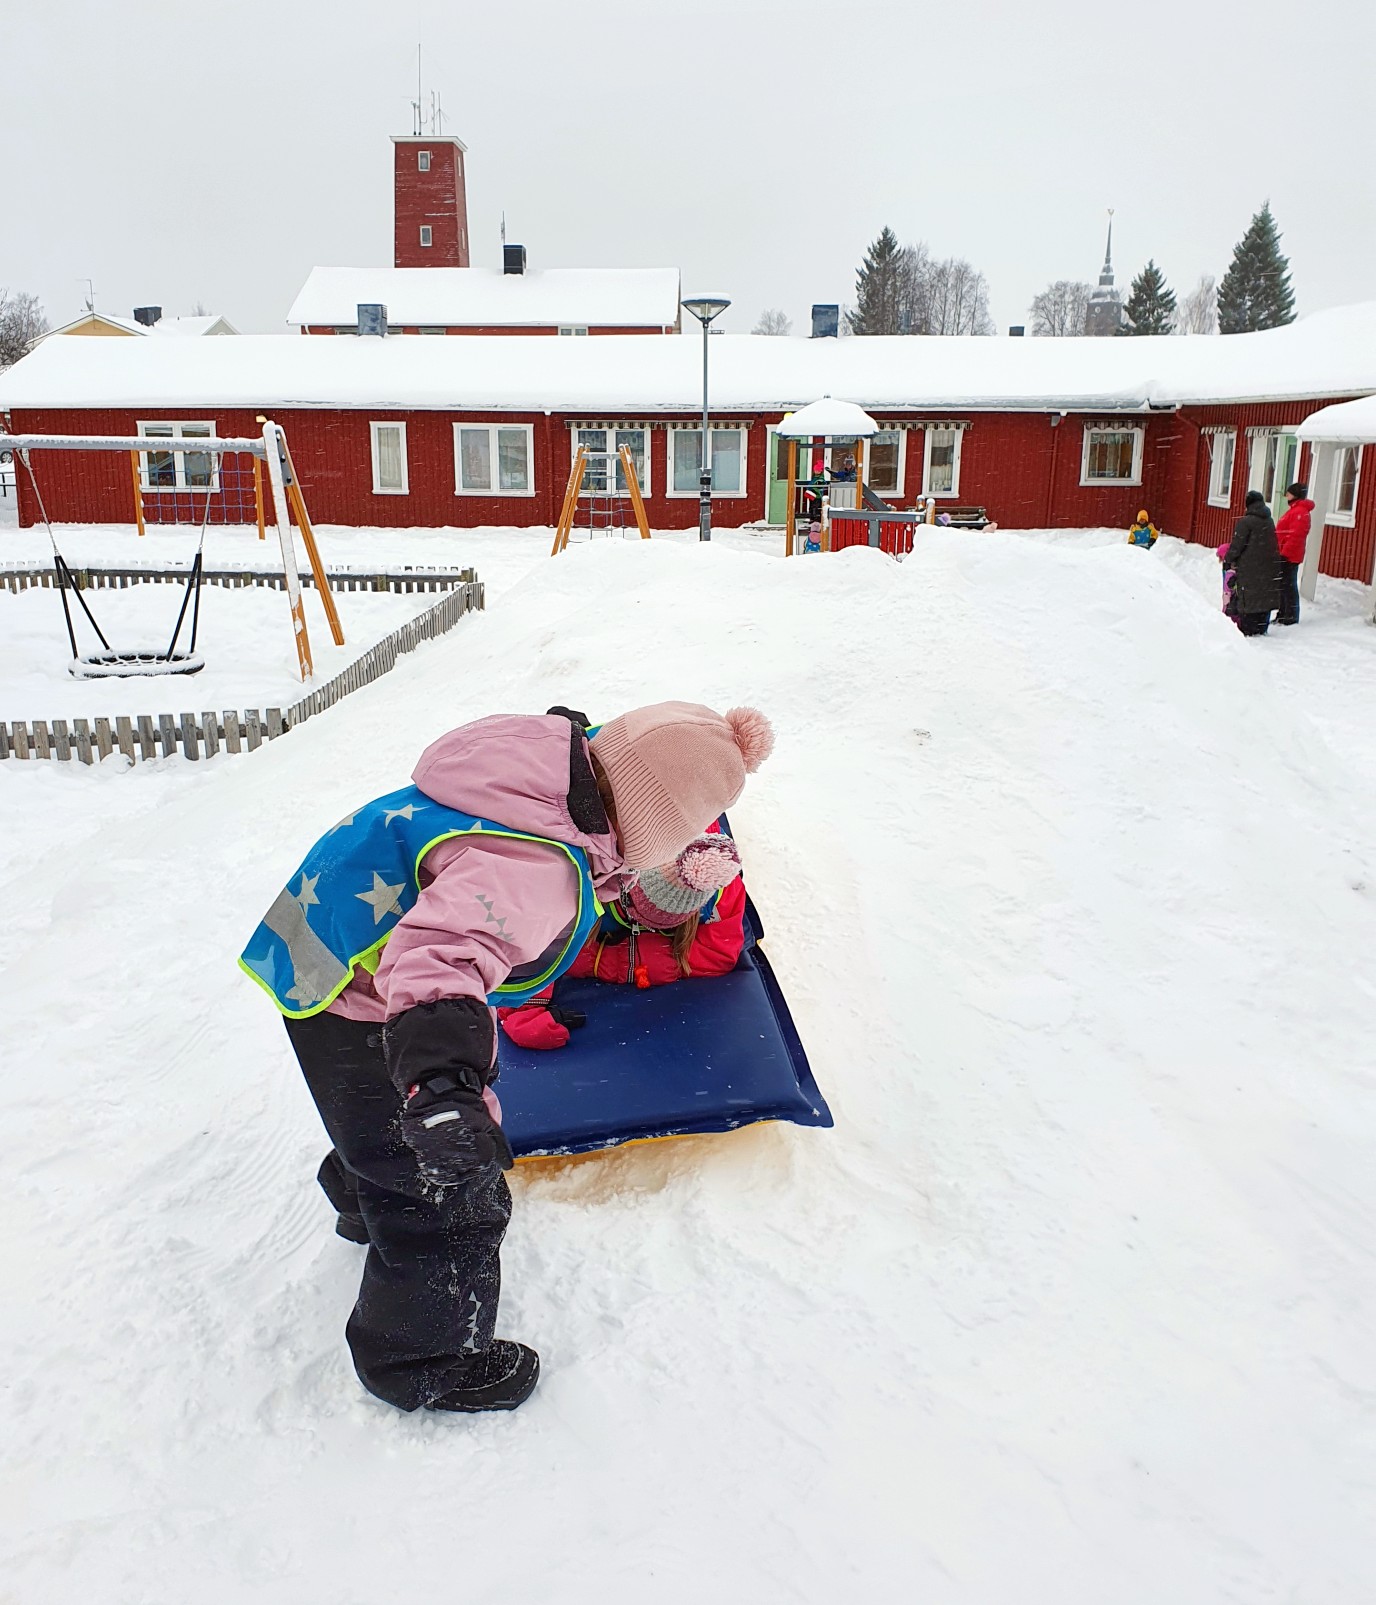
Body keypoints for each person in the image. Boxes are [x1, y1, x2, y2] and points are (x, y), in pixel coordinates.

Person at [239, 702, 775, 1416]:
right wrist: (443, 1086)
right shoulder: (533, 871)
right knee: (447, 1194)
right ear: (651, 821)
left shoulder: (532, 777)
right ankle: (419, 1359)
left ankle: (363, 1193)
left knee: (371, 1116)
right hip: (369, 995)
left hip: (321, 945)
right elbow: (441, 960)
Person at [497, 831, 747, 1051]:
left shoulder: (718, 883)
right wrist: (521, 1011)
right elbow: (530, 935)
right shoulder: (585, 863)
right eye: (635, 907)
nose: (646, 924)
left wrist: (604, 960)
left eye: (662, 923)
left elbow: (718, 954)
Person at [1222, 490, 1279, 636]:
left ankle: (1248, 626)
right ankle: (1261, 625)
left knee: (1249, 594)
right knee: (1264, 594)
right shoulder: (1269, 520)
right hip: (1268, 564)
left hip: (1249, 566)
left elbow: (1237, 545)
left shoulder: (1246, 522)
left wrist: (1228, 560)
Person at [1273, 480, 1314, 626]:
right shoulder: (1295, 510)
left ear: (1295, 495)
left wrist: (1284, 553)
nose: (1286, 496)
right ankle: (1283, 613)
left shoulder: (1299, 512)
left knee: (1288, 585)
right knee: (1284, 585)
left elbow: (1295, 536)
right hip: (1286, 553)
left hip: (1289, 555)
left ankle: (1290, 615)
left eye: (1289, 493)